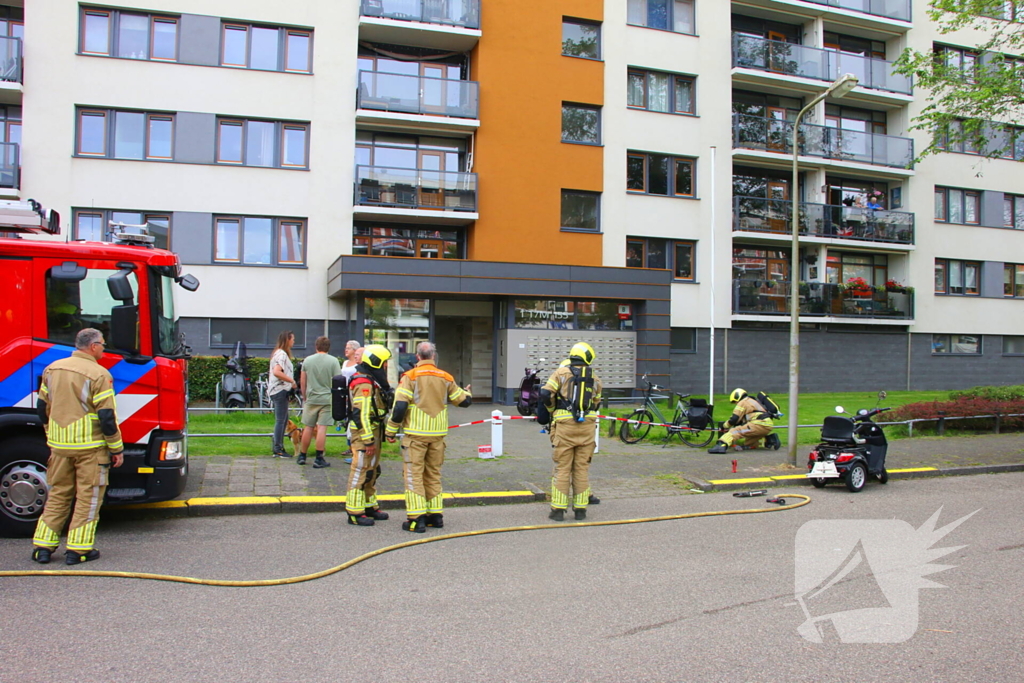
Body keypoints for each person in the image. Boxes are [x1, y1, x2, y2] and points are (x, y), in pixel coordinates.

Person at [31, 328, 124, 565]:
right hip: (90, 448)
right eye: (103, 344)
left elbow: (42, 409)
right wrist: (116, 449)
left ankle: (42, 547)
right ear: (93, 346)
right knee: (88, 498)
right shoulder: (99, 374)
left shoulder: (52, 369)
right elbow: (106, 417)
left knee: (58, 495)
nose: (104, 348)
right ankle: (78, 550)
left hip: (59, 447)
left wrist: (51, 434)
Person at [385, 342, 472, 533]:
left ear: (418, 357)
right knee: (433, 474)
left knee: (413, 475)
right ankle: (436, 516)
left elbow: (399, 407)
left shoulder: (410, 377)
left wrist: (390, 431)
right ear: (433, 357)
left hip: (416, 435)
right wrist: (467, 392)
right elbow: (464, 402)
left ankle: (416, 519)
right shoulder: (445, 377)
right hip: (437, 435)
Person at [536, 342, 602, 522]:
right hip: (587, 427)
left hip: (565, 426)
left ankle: (558, 510)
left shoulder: (561, 373)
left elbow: (544, 393)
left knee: (562, 468)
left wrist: (552, 410)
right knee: (581, 469)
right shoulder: (595, 378)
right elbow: (596, 403)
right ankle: (580, 510)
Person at [345, 344, 393, 527]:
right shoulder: (363, 382)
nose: (386, 366)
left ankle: (369, 505)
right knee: (360, 470)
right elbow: (360, 414)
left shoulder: (371, 379)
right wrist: (368, 440)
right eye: (384, 362)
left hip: (374, 431)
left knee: (372, 470)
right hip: (365, 434)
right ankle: (354, 512)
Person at [297, 336, 343, 468]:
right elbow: (337, 380)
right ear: (328, 347)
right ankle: (318, 458)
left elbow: (303, 380)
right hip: (327, 398)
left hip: (311, 397)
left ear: (316, 346)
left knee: (308, 427)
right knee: (322, 427)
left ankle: (302, 456)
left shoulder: (307, 360)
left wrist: (304, 395)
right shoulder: (334, 361)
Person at [707, 388, 775, 453]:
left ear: (737, 396)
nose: (735, 403)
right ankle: (771, 439)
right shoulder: (753, 401)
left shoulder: (743, 402)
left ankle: (721, 445)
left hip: (758, 424)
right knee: (749, 441)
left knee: (735, 431)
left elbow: (734, 419)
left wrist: (725, 426)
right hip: (768, 425)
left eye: (734, 401)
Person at [269, 330, 298, 458]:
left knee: (283, 419)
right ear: (287, 340)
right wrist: (291, 381)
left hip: (278, 390)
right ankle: (278, 448)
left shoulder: (277, 353)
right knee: (281, 420)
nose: (294, 341)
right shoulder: (282, 355)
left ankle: (278, 445)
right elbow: (277, 371)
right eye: (292, 339)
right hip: (279, 390)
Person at [339, 341, 361, 465]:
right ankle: (350, 448)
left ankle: (355, 451)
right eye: (346, 347)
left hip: (354, 393)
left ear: (354, 350)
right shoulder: (345, 363)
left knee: (354, 420)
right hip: (345, 393)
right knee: (347, 422)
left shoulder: (358, 364)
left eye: (348, 348)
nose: (346, 350)